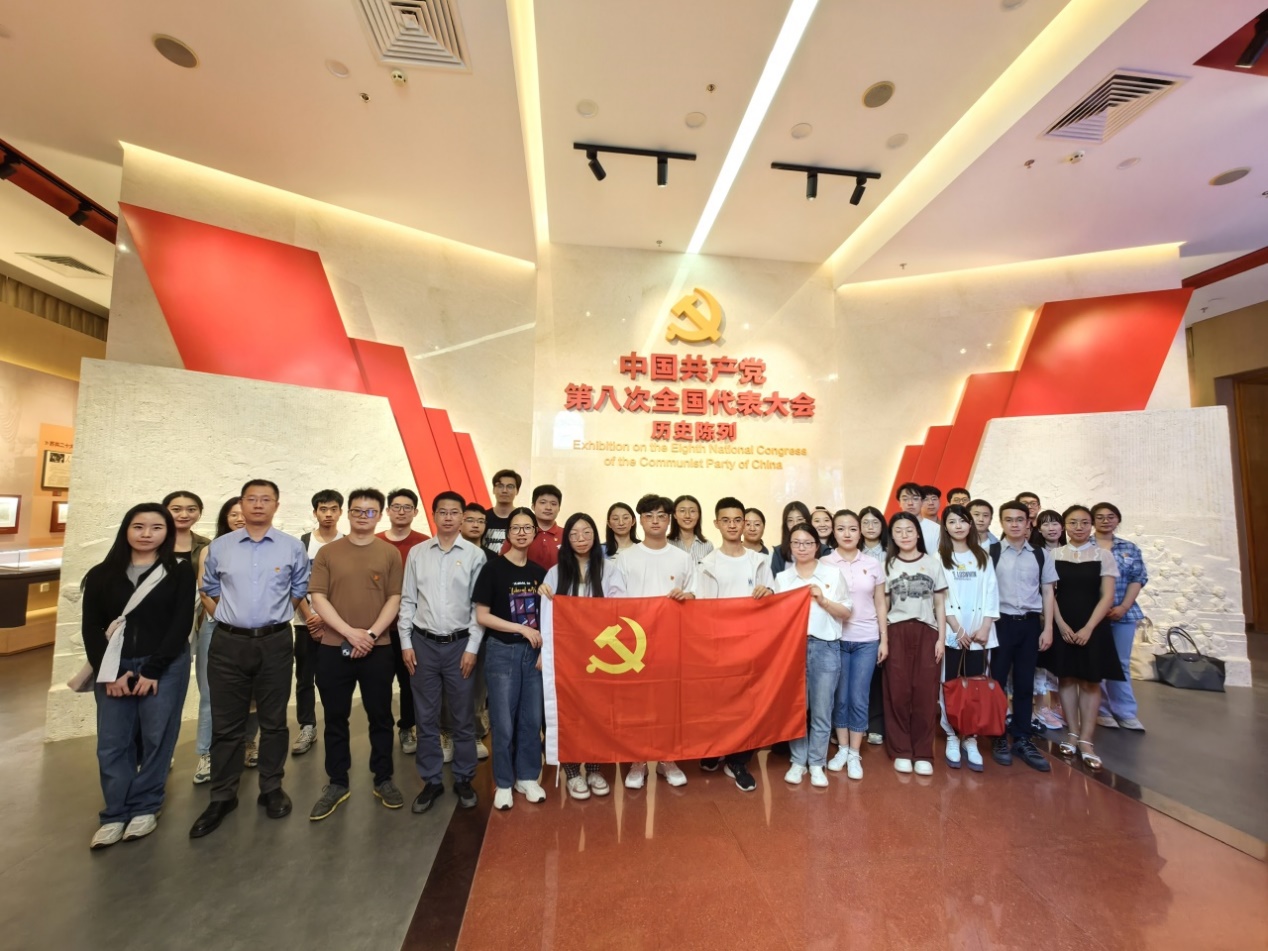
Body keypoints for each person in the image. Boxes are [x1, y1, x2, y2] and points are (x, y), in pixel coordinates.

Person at [191, 479, 310, 838]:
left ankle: (271, 788)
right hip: (228, 644)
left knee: (274, 721)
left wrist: (270, 618)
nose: (258, 505)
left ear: (276, 505)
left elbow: (298, 590)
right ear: (241, 504)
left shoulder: (292, 547)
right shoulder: (220, 547)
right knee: (227, 724)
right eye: (251, 499)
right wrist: (234, 618)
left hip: (275, 642)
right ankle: (222, 796)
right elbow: (209, 588)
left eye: (266, 499)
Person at [83, 504, 195, 849]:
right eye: (139, 526)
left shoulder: (179, 571)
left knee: (157, 737)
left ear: (168, 533)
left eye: (156, 527)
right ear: (126, 529)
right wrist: (111, 673)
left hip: (164, 666)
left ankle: (146, 805)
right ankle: (115, 812)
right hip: (113, 666)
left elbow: (180, 623)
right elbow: (91, 628)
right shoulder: (102, 574)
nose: (147, 534)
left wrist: (153, 669)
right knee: (112, 741)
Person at [307, 489, 405, 819]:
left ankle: (384, 778)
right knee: (335, 718)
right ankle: (337, 782)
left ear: (381, 515)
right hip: (334, 648)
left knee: (381, 716)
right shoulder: (328, 553)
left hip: (378, 649)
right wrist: (350, 633)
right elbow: (318, 597)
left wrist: (372, 634)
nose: (364, 517)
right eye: (358, 511)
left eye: (371, 511)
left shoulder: (390, 553)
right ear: (348, 513)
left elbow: (394, 598)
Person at [398, 491, 487, 813]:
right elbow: (408, 600)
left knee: (463, 716)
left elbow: (479, 607)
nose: (448, 517)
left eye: (454, 512)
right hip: (423, 644)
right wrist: (406, 643)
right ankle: (432, 781)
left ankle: (464, 778)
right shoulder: (418, 553)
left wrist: (473, 648)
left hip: (460, 645)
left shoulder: (475, 556)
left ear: (462, 517)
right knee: (426, 717)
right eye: (442, 512)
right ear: (433, 515)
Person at [608, 493, 696, 789]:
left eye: (661, 516)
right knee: (637, 706)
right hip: (635, 646)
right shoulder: (626, 558)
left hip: (672, 643)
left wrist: (687, 596)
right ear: (640, 520)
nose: (655, 521)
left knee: (669, 705)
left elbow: (696, 595)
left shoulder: (682, 558)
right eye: (649, 516)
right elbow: (615, 601)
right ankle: (638, 760)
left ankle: (667, 759)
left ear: (669, 520)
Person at [694, 497, 775, 792]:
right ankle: (716, 749)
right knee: (718, 703)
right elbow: (699, 607)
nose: (732, 525)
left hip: (751, 645)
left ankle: (738, 760)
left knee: (747, 704)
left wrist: (769, 593)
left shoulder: (758, 561)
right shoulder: (706, 564)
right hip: (718, 645)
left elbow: (773, 599)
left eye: (737, 520)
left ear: (744, 523)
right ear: (717, 524)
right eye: (726, 520)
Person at [475, 507, 548, 810]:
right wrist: (520, 628)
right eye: (515, 527)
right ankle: (504, 782)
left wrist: (544, 650)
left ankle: (527, 778)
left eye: (527, 527)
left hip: (533, 655)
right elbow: (482, 616)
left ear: (534, 533)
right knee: (503, 722)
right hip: (502, 651)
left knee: (531, 719)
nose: (521, 532)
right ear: (507, 533)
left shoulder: (539, 573)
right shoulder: (493, 569)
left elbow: (549, 617)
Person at [539, 513, 611, 800]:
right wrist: (545, 653)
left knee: (597, 713)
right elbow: (547, 618)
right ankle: (571, 772)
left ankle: (594, 769)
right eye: (574, 534)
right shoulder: (555, 573)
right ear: (566, 538)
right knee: (569, 712)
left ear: (595, 535)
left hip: (600, 656)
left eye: (587, 532)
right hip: (567, 657)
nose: (581, 539)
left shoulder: (610, 569)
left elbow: (621, 610)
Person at [1044, 505, 1122, 771]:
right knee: (1066, 678)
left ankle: (1087, 740)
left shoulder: (1103, 555)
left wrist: (1089, 627)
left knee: (1090, 681)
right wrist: (1060, 624)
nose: (1079, 527)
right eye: (1073, 522)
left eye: (1084, 522)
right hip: (1063, 623)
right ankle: (1072, 734)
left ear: (1091, 525)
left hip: (1094, 626)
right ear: (1065, 525)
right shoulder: (1054, 554)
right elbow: (1049, 593)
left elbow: (1107, 596)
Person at [776, 524, 852, 788]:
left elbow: (846, 612)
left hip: (826, 647)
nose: (802, 548)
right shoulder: (783, 579)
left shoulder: (832, 573)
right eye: (796, 543)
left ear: (816, 546)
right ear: (790, 546)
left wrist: (823, 600)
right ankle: (798, 761)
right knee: (797, 710)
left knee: (822, 709)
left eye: (808, 543)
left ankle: (817, 763)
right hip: (793, 649)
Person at [987, 501, 1057, 773]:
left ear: (1029, 523)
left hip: (1030, 625)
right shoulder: (992, 552)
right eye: (1009, 519)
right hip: (1000, 623)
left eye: (1020, 519)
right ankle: (997, 736)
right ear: (1001, 523)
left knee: (1025, 683)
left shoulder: (1040, 554)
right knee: (997, 683)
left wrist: (1047, 628)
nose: (1014, 524)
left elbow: (1048, 591)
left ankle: (1022, 738)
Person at [191, 498, 252, 784]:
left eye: (244, 513)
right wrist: (227, 619)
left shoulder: (263, 548)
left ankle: (248, 743)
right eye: (233, 514)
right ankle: (207, 753)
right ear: (225, 518)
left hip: (252, 629)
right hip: (217, 625)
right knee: (210, 692)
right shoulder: (212, 549)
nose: (239, 518)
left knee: (252, 692)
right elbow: (206, 590)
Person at [882, 511, 947, 776]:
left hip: (927, 632)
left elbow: (940, 604)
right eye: (898, 531)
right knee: (897, 693)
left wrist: (941, 638)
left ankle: (922, 752)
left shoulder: (932, 564)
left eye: (909, 530)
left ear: (918, 534)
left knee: (925, 694)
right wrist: (883, 639)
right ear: (892, 536)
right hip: (896, 631)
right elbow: (883, 606)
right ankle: (901, 750)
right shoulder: (887, 565)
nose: (905, 535)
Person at [822, 510, 886, 780]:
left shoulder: (873, 563)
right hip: (835, 638)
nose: (846, 533)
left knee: (859, 697)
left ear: (860, 532)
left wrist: (884, 638)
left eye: (852, 528)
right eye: (840, 528)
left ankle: (855, 754)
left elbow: (880, 602)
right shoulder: (824, 563)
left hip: (866, 639)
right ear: (833, 532)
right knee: (840, 697)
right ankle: (842, 749)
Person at [936, 504, 999, 773]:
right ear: (945, 526)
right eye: (952, 522)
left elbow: (992, 593)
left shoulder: (982, 556)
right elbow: (940, 597)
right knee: (949, 684)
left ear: (970, 525)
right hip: (953, 632)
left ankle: (970, 737)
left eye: (963, 521)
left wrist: (985, 627)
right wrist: (956, 629)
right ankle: (952, 733)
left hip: (979, 634)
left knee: (975, 685)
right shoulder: (939, 557)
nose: (958, 526)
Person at [290, 490, 344, 758]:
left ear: (341, 512)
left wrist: (325, 616)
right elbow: (296, 583)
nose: (328, 514)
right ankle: (307, 726)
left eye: (333, 509)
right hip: (305, 623)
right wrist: (309, 616)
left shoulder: (347, 543)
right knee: (304, 678)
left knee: (335, 678)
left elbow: (347, 586)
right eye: (323, 509)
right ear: (315, 512)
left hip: (336, 624)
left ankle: (336, 725)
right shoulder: (302, 543)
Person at [377, 488, 430, 754]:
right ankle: (382, 731)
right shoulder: (374, 542)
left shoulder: (424, 544)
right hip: (378, 628)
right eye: (396, 507)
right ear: (387, 511)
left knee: (410, 681)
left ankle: (407, 726)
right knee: (379, 683)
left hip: (411, 627)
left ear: (415, 512)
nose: (401, 512)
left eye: (407, 507)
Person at [1092, 502, 1148, 732]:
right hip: (1093, 615)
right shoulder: (1084, 546)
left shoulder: (1129, 548)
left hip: (1124, 614)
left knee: (1121, 663)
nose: (1106, 520)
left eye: (1111, 516)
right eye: (1100, 517)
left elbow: (1138, 578)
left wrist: (1124, 606)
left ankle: (1125, 711)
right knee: (1096, 663)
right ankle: (1102, 710)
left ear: (1118, 519)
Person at [1032, 509, 1066, 732]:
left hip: (1068, 613)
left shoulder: (1070, 552)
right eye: (1046, 524)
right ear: (1038, 528)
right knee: (1040, 664)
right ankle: (1040, 707)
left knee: (1059, 664)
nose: (1051, 528)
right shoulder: (1036, 553)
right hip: (1042, 614)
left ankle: (1058, 705)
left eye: (1055, 523)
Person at [857, 505, 889, 745]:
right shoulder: (851, 552)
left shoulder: (891, 553)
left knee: (879, 673)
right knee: (858, 677)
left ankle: (876, 723)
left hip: (887, 619)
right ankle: (858, 724)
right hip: (857, 621)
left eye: (875, 522)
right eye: (865, 522)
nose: (870, 527)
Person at [501, 484, 563, 570]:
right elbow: (503, 562)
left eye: (553, 504)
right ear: (533, 506)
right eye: (543, 502)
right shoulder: (519, 534)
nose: (548, 507)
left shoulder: (566, 535)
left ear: (559, 508)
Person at [770, 501, 820, 576]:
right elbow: (775, 579)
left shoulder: (823, 549)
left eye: (799, 519)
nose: (795, 524)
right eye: (790, 520)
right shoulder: (779, 552)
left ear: (808, 521)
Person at [484, 469, 521, 556]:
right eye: (500, 486)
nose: (504, 490)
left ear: (517, 491)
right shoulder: (483, 517)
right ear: (493, 490)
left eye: (510, 487)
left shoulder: (523, 519)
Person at [668, 493, 714, 563]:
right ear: (674, 515)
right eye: (682, 511)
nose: (687, 516)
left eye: (692, 511)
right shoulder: (666, 544)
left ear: (699, 515)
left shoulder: (707, 546)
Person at [920, 486, 942, 553]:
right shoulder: (914, 526)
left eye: (934, 499)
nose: (931, 503)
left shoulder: (946, 526)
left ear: (939, 502)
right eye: (925, 499)